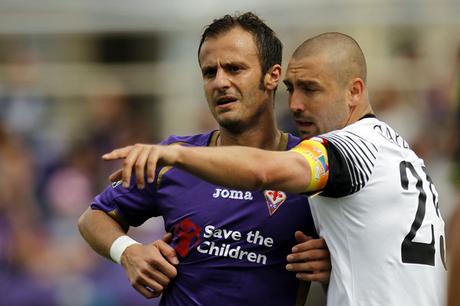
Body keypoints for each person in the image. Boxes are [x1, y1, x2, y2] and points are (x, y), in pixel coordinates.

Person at [105, 32, 447, 306]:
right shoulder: (398, 152)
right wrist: (336, 260)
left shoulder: (342, 150)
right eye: (210, 72)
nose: (296, 104)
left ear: (354, 91)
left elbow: (262, 173)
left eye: (310, 90)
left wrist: (176, 155)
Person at [78, 12, 330, 306]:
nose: (220, 82)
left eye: (234, 69)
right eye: (210, 72)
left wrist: (334, 262)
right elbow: (92, 218)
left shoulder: (313, 164)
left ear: (272, 76)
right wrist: (128, 252)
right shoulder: (174, 158)